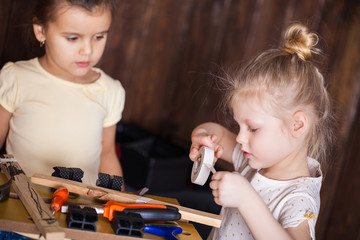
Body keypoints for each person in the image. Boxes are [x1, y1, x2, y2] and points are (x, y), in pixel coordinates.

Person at [189, 23, 336, 239]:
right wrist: (201, 137)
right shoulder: (252, 160)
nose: (240, 137)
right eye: (240, 126)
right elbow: (215, 133)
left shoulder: (299, 197)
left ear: (296, 125)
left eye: (253, 128)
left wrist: (246, 199)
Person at [0, 0, 125, 185]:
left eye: (99, 37)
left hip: (81, 208)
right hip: (20, 202)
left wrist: (120, 201)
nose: (88, 50)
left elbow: (106, 154)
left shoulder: (110, 91)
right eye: (73, 38)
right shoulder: (17, 78)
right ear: (41, 31)